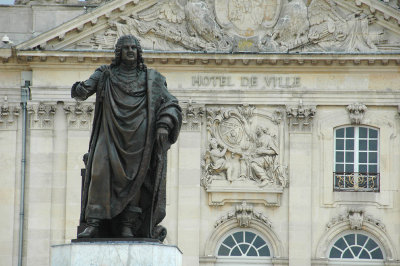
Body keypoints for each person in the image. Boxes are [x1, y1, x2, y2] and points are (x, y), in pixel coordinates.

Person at [71, 35, 182, 240]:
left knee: (136, 179)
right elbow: (85, 89)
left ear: (139, 52)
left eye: (134, 47)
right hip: (110, 132)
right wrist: (80, 89)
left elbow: (171, 103)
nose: (130, 51)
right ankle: (93, 223)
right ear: (118, 52)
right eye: (125, 48)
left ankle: (127, 225)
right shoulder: (105, 74)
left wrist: (164, 124)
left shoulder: (152, 79)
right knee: (99, 170)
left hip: (139, 137)